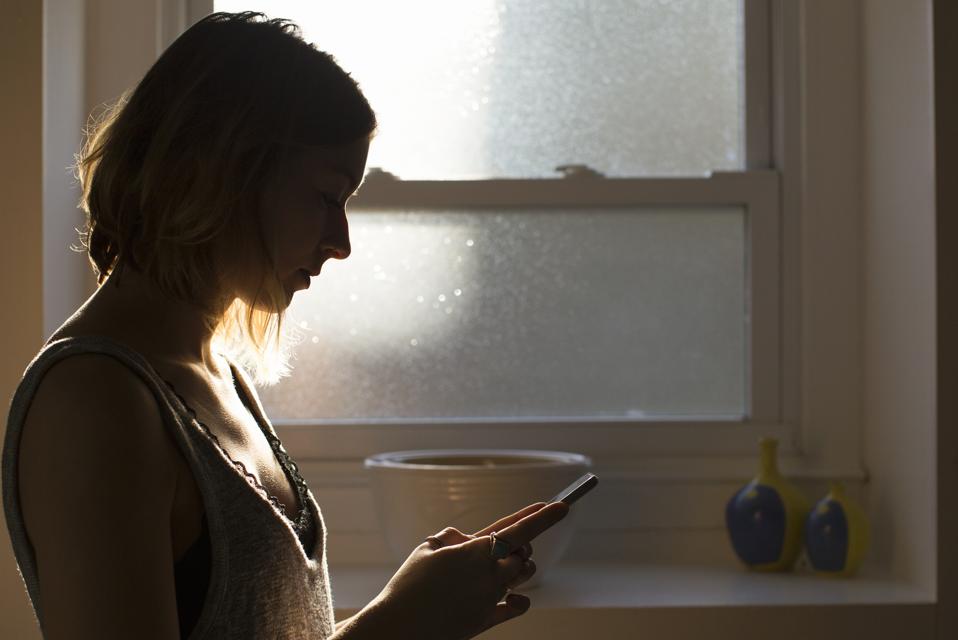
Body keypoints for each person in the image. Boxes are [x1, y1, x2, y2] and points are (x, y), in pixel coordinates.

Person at [1, 11, 569, 640]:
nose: (341, 242)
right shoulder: (94, 401)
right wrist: (397, 626)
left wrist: (427, 606)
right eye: (327, 197)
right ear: (221, 175)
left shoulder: (216, 377)